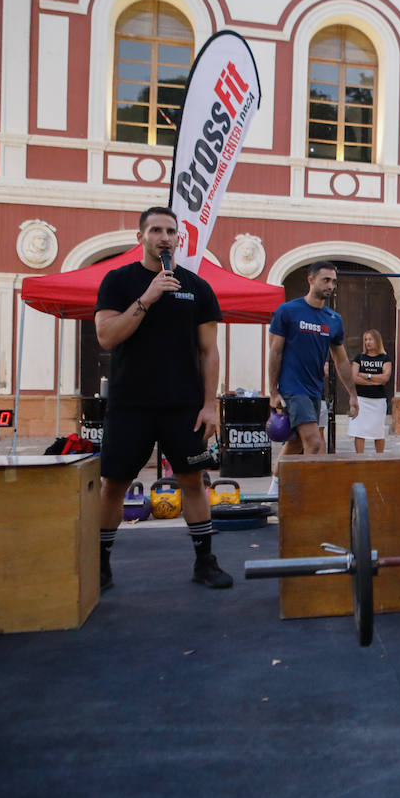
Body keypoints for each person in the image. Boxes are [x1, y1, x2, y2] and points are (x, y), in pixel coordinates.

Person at [93, 206, 231, 591]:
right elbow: (106, 336)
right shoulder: (118, 281)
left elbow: (209, 351)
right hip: (130, 402)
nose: (165, 237)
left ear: (179, 238)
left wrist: (210, 404)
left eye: (171, 231)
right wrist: (147, 298)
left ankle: (205, 561)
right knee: (115, 483)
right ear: (141, 237)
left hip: (183, 404)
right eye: (156, 230)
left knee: (192, 479)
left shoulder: (197, 287)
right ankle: (100, 564)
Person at [266, 262, 359, 495]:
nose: (331, 286)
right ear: (311, 280)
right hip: (292, 387)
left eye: (334, 281)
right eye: (326, 280)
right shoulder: (287, 311)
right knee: (315, 443)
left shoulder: (333, 319)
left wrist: (353, 394)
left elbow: (341, 360)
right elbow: (275, 351)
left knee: (297, 443)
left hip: (314, 390)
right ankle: (304, 497)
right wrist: (273, 391)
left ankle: (273, 492)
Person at [349, 330, 392, 454]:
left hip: (378, 400)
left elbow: (385, 378)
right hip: (361, 399)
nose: (368, 342)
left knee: (378, 431)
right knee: (358, 430)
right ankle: (359, 457)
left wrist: (367, 376)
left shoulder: (385, 358)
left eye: (370, 339)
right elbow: (354, 377)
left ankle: (379, 457)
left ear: (377, 341)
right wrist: (374, 381)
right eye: (366, 339)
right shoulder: (359, 358)